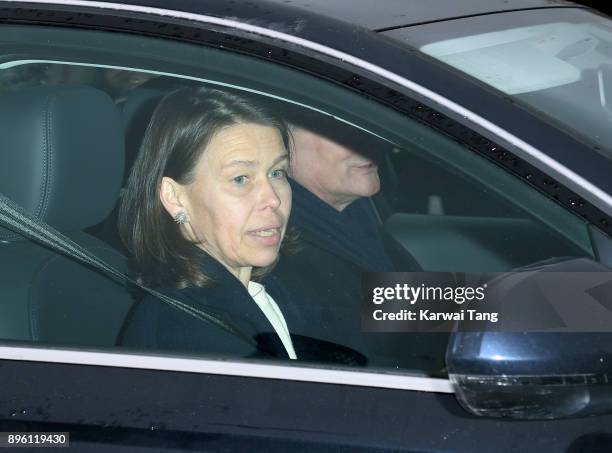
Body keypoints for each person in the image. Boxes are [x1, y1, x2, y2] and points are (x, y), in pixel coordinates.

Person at [117, 86, 299, 360]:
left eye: (277, 172)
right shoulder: (189, 334)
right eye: (240, 179)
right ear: (175, 197)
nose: (272, 199)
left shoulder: (266, 289)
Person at [267, 125, 439, 368]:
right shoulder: (282, 259)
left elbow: (410, 305)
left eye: (369, 126)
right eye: (338, 128)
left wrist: (505, 305)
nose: (372, 140)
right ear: (276, 143)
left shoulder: (350, 216)